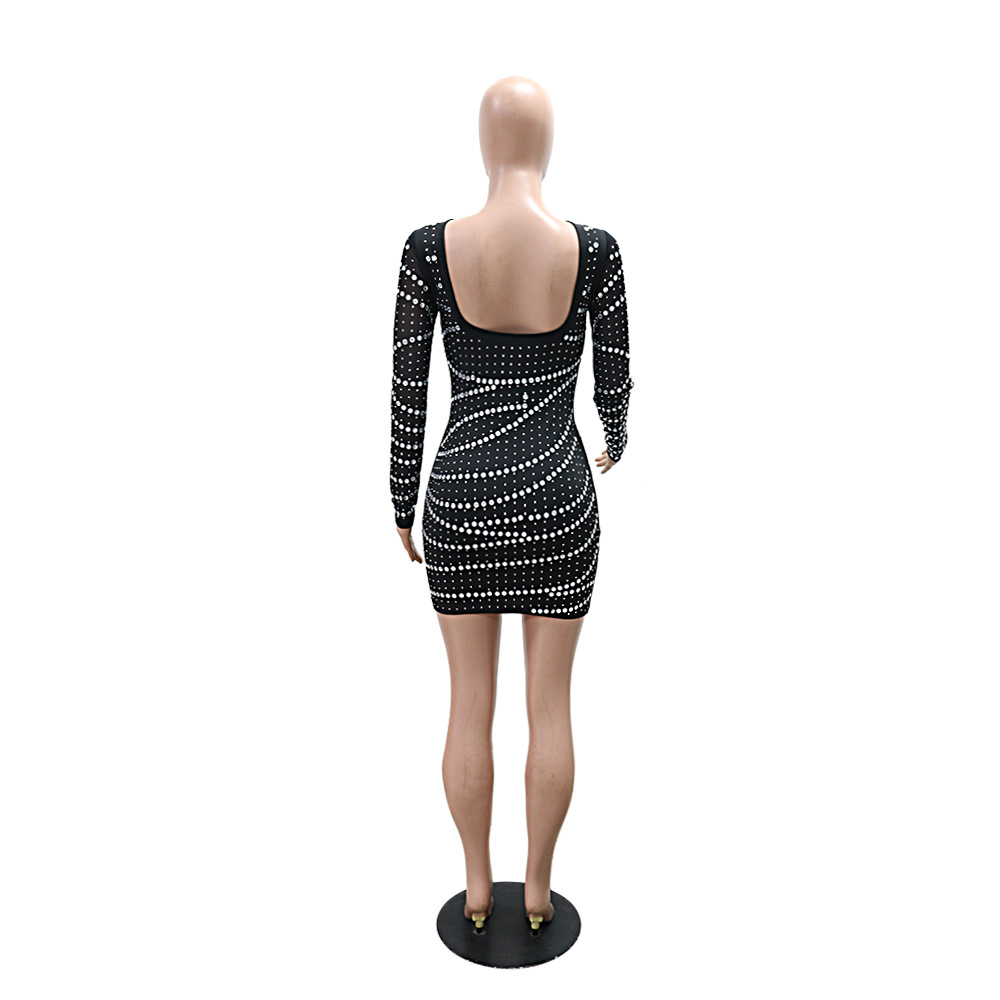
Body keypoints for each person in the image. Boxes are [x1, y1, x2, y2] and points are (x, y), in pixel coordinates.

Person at [389, 76, 634, 932]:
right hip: (560, 496)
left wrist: (400, 500)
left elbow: (409, 392)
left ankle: (475, 888)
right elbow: (616, 381)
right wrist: (615, 438)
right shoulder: (594, 253)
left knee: (468, 704)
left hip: (460, 499)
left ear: (485, 144)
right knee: (550, 707)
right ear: (547, 144)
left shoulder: (429, 251)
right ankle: (535, 893)